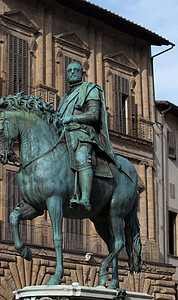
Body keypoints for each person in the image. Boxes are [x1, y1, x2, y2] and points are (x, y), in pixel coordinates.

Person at [57, 62, 117, 211]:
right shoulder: (65, 97)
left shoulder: (90, 89)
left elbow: (93, 115)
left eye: (75, 70)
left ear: (81, 73)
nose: (72, 73)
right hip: (64, 134)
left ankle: (85, 199)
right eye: (69, 70)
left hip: (82, 133)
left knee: (82, 157)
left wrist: (71, 119)